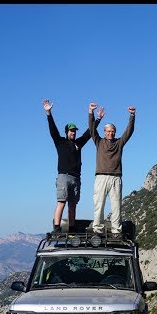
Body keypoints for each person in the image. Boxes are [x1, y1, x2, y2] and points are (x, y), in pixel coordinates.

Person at [43, 99, 104, 232]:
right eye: (71, 131)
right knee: (61, 202)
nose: (73, 133)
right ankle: (57, 228)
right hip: (63, 176)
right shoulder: (60, 142)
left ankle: (71, 228)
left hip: (76, 177)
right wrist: (48, 113)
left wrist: (98, 118)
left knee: (73, 205)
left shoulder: (78, 143)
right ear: (66, 132)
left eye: (74, 131)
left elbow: (89, 133)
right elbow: (52, 129)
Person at [88, 102, 136, 235]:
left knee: (116, 206)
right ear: (104, 132)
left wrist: (132, 115)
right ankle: (97, 229)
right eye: (108, 131)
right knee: (99, 204)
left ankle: (116, 231)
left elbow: (129, 131)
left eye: (112, 131)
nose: (110, 133)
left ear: (115, 132)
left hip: (116, 177)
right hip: (101, 177)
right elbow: (91, 129)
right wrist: (91, 113)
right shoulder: (99, 141)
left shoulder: (119, 143)